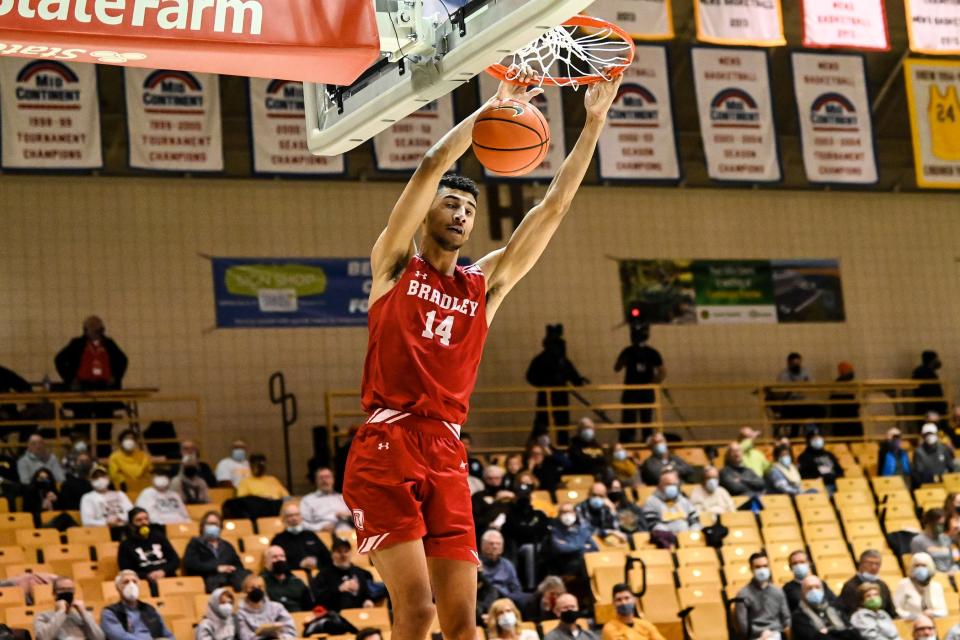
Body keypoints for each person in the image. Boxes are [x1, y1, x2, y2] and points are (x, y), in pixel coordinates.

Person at [340, 67, 620, 640]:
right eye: (450, 204)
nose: (461, 213)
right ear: (426, 216)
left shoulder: (484, 286)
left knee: (464, 623)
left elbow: (552, 209)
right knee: (416, 611)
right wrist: (494, 110)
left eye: (469, 209)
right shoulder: (393, 267)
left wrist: (593, 122)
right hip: (387, 443)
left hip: (446, 447)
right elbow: (429, 167)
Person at [55, 316, 128, 457]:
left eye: (97, 328)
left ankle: (104, 457)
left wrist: (115, 377)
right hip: (83, 390)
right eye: (91, 328)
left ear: (102, 329)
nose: (94, 331)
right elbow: (59, 359)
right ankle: (82, 457)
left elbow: (123, 360)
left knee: (104, 428)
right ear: (85, 330)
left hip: (104, 390)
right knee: (82, 428)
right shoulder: (76, 344)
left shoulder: (109, 344)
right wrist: (70, 379)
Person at [527, 324, 588, 438]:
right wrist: (543, 384)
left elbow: (571, 374)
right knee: (543, 422)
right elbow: (530, 376)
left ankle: (561, 447)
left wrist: (578, 380)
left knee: (561, 423)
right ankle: (537, 443)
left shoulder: (562, 361)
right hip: (547, 395)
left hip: (560, 395)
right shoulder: (542, 360)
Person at [613, 322, 664, 443]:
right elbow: (617, 367)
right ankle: (631, 442)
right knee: (635, 420)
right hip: (637, 392)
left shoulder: (648, 352)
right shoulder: (631, 351)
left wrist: (651, 383)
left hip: (637, 392)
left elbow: (616, 368)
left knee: (641, 420)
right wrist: (652, 383)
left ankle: (641, 441)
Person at [183, 510, 249, 593]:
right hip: (207, 578)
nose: (212, 527)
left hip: (228, 578)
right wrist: (216, 568)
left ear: (220, 527)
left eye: (215, 524)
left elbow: (238, 565)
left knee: (247, 578)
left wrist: (231, 568)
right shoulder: (195, 543)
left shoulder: (227, 546)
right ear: (202, 526)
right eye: (209, 524)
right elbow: (190, 564)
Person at [546, 503, 598, 605]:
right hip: (564, 564)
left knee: (591, 564)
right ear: (559, 514)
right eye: (563, 512)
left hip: (582, 564)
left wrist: (572, 545)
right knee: (583, 563)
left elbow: (595, 548)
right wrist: (582, 546)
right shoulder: (554, 530)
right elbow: (561, 549)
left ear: (574, 513)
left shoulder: (582, 529)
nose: (567, 515)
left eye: (569, 511)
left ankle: (593, 601)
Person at [100, 570, 174, 640]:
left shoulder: (150, 609)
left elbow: (167, 634)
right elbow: (120, 637)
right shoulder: (110, 612)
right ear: (118, 588)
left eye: (134, 582)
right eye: (126, 582)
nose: (131, 585)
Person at [118, 508, 180, 587]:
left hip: (167, 577)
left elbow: (175, 560)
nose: (144, 522)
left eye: (146, 519)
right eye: (139, 520)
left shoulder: (159, 536)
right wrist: (147, 575)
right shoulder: (126, 544)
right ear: (131, 524)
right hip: (144, 582)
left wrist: (163, 571)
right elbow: (126, 571)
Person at [734, 552, 790, 640]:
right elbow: (743, 626)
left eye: (765, 566)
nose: (762, 570)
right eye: (758, 567)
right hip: (755, 636)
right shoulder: (742, 594)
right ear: (751, 569)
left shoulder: (778, 591)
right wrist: (760, 634)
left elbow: (786, 618)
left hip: (777, 633)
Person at [311, 537, 376, 612]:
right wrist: (339, 589)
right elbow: (319, 598)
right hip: (336, 614)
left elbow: (368, 592)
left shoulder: (361, 573)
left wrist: (368, 600)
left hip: (361, 613)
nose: (343, 555)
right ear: (332, 554)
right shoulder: (323, 574)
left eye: (346, 551)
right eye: (339, 551)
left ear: (350, 553)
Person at [34, 576, 105, 640]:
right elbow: (42, 638)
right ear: (54, 593)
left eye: (70, 590)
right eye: (62, 589)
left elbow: (99, 638)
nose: (67, 592)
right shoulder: (43, 616)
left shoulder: (82, 615)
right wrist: (61, 612)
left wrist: (84, 613)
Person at [791, 574, 859, 640]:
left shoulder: (835, 607)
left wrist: (829, 632)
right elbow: (813, 637)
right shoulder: (798, 616)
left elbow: (853, 632)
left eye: (817, 587)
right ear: (802, 592)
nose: (814, 591)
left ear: (823, 590)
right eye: (809, 588)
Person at [641, 469, 699, 545]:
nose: (672, 487)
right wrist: (673, 537)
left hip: (688, 540)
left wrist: (691, 534)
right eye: (668, 484)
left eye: (674, 484)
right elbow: (653, 524)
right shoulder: (651, 501)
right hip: (667, 541)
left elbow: (695, 520)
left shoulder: (683, 500)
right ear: (660, 485)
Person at [270, 501, 332, 571]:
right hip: (293, 576)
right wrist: (299, 564)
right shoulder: (278, 539)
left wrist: (317, 563)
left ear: (301, 517)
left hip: (317, 573)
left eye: (297, 515)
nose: (294, 518)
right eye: (290, 516)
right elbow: (277, 565)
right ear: (284, 519)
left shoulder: (311, 535)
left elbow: (327, 557)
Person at [235, 574, 296, 640]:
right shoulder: (240, 613)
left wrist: (281, 637)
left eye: (260, 587)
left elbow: (290, 629)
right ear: (245, 590)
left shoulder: (277, 607)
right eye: (252, 588)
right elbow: (245, 636)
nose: (256, 590)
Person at [772, 352, 818, 437]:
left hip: (802, 402)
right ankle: (795, 437)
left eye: (798, 363)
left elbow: (812, 384)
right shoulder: (783, 375)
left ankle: (813, 434)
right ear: (789, 363)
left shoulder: (805, 371)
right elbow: (781, 392)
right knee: (797, 413)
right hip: (788, 404)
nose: (797, 365)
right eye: (794, 363)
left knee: (820, 410)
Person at [839, 550, 897, 618]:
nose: (874, 567)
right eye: (870, 563)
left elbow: (891, 611)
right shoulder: (850, 586)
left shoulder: (883, 586)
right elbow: (846, 612)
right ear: (861, 564)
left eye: (877, 564)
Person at [479, 530, 526, 607]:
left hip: (505, 600)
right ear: (482, 545)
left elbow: (516, 588)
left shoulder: (507, 564)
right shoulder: (476, 564)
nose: (495, 546)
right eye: (491, 543)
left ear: (502, 547)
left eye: (498, 544)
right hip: (485, 600)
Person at [894, 552, 947, 620]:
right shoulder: (904, 584)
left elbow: (944, 611)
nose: (920, 568)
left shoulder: (937, 586)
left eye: (923, 565)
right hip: (911, 623)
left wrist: (933, 613)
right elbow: (896, 610)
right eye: (917, 565)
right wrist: (913, 616)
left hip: (933, 623)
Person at [261, 546, 313, 613]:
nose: (279, 559)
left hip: (299, 616)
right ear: (266, 561)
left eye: (282, 556)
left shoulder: (296, 580)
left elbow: (308, 604)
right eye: (274, 557)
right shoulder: (261, 582)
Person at [80, 465, 133, 529]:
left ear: (108, 478)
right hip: (102, 531)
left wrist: (120, 519)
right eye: (96, 477)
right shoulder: (87, 498)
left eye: (102, 476)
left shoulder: (120, 494)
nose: (100, 479)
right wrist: (106, 522)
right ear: (91, 480)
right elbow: (87, 522)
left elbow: (132, 513)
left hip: (124, 527)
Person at [298, 467, 350, 532]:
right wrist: (320, 528)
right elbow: (302, 523)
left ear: (333, 479)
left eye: (327, 477)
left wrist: (350, 516)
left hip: (348, 535)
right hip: (322, 535)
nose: (324, 480)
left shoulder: (343, 498)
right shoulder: (307, 500)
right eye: (321, 478)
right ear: (316, 481)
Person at [910, 509, 956, 574]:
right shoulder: (918, 540)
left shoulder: (946, 538)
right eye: (938, 524)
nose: (940, 527)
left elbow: (951, 562)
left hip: (951, 574)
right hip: (932, 576)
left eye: (942, 524)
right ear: (928, 523)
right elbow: (918, 565)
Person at [912, 423, 957, 488]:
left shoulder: (943, 449)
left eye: (931, 434)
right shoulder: (918, 452)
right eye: (927, 434)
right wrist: (933, 479)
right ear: (923, 436)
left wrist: (946, 479)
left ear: (936, 434)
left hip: (944, 483)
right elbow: (919, 472)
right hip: (926, 485)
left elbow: (951, 468)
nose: (929, 436)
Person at [107, 430, 153, 494]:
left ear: (136, 442)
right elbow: (114, 474)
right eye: (126, 438)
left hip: (142, 490)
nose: (129, 441)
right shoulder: (114, 457)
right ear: (120, 442)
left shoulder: (144, 456)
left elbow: (149, 472)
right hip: (124, 490)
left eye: (132, 439)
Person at [829, 362, 862, 437]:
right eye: (850, 370)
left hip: (843, 417)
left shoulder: (838, 384)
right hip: (847, 416)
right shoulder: (842, 385)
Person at [912, 351, 947, 419]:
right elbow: (932, 392)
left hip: (924, 407)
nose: (938, 361)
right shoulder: (926, 373)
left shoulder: (921, 371)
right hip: (929, 408)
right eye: (936, 359)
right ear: (932, 360)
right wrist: (941, 405)